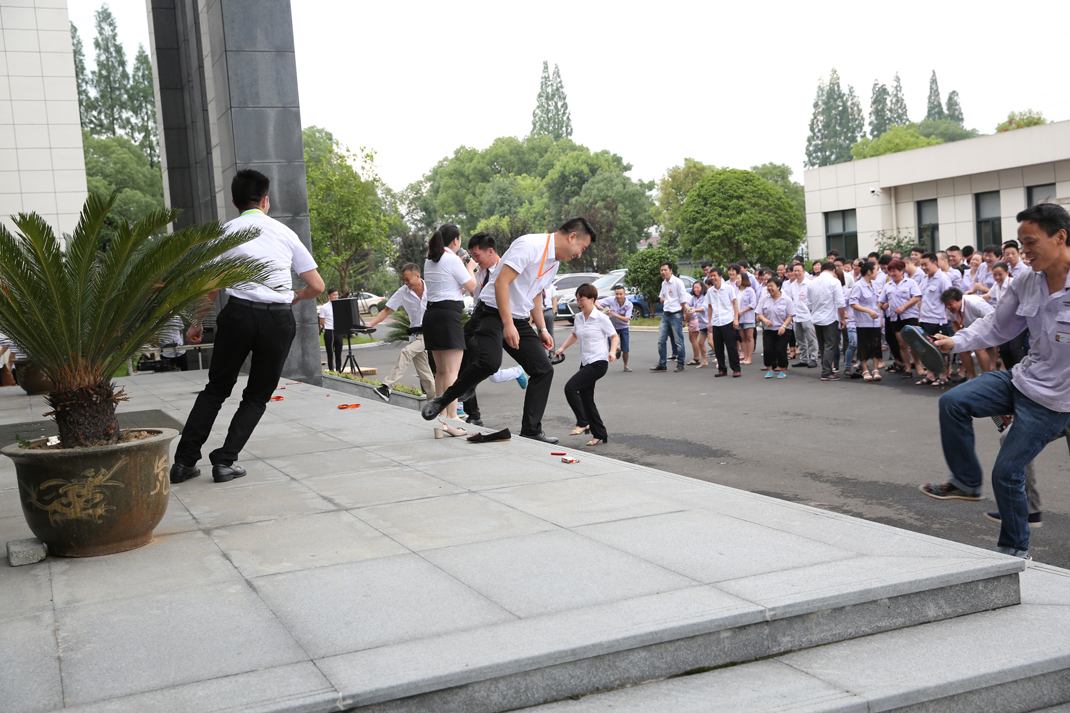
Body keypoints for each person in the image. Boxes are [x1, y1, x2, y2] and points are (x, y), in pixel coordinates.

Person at [920, 202, 1070, 560]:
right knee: (952, 402)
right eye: (1020, 243)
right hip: (1023, 379)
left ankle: (1014, 550)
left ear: (1060, 236)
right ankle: (967, 482)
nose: (1022, 252)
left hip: (1054, 402)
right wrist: (955, 342)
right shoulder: (1026, 282)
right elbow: (998, 326)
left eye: (1030, 242)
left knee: (1007, 471)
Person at [171, 169, 324, 484]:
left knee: (216, 390)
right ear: (266, 201)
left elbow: (211, 288)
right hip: (278, 320)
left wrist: (196, 322)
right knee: (257, 395)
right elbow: (317, 286)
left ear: (234, 201)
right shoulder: (284, 233)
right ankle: (225, 461)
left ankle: (184, 463)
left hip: (238, 314)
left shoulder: (224, 233)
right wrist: (295, 296)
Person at [422, 217, 595, 445]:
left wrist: (542, 328)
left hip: (518, 318)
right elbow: (502, 282)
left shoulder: (554, 263)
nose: (580, 254)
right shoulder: (529, 245)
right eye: (582, 248)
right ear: (572, 237)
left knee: (543, 369)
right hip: (492, 313)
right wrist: (508, 324)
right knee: (490, 362)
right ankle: (444, 399)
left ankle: (531, 430)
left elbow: (534, 294)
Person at [422, 224, 479, 422]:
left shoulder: (429, 261)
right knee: (453, 372)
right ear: (456, 241)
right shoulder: (453, 260)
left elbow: (446, 287)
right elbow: (472, 286)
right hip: (448, 317)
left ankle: (441, 416)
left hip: (431, 315)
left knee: (441, 371)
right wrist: (470, 268)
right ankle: (453, 416)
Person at [555, 282, 619, 446]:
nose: (579, 302)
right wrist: (562, 348)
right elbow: (575, 335)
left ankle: (583, 422)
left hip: (598, 362)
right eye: (577, 299)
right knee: (586, 398)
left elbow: (614, 336)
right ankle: (599, 433)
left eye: (582, 299)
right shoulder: (578, 317)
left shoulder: (601, 318)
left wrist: (612, 352)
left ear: (592, 299)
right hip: (586, 362)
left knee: (570, 387)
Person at [364, 264, 436, 402]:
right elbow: (386, 310)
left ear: (418, 276)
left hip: (430, 332)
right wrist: (370, 324)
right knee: (425, 374)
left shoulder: (432, 288)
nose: (405, 282)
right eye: (403, 279)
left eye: (407, 279)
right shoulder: (402, 292)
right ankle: (435, 403)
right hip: (415, 334)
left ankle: (386, 386)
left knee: (406, 352)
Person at [913, 251, 954, 386]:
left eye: (926, 264)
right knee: (927, 349)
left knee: (941, 349)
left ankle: (944, 375)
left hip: (939, 319)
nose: (924, 267)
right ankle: (930, 375)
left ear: (935, 263)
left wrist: (947, 316)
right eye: (922, 265)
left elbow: (948, 298)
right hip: (925, 319)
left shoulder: (943, 278)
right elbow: (921, 298)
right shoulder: (925, 279)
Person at [880, 259, 922, 378]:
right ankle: (907, 367)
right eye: (890, 271)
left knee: (913, 342)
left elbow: (917, 297)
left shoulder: (910, 283)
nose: (892, 274)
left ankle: (917, 364)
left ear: (902, 271)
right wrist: (882, 307)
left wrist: (903, 307)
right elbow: (882, 301)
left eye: (895, 271)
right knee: (902, 344)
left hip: (909, 316)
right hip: (895, 318)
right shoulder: (888, 285)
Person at [941, 286, 995, 379]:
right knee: (962, 348)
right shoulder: (950, 308)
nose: (948, 307)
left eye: (950, 304)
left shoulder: (975, 303)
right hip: (970, 328)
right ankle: (972, 377)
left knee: (979, 348)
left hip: (987, 326)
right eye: (946, 305)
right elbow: (954, 322)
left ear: (959, 300)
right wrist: (960, 339)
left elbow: (993, 318)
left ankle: (987, 377)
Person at [807, 261, 847, 381]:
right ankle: (826, 372)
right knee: (831, 344)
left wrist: (814, 312)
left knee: (823, 345)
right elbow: (840, 302)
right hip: (829, 318)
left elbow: (809, 303)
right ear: (833, 271)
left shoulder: (812, 283)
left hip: (816, 317)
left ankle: (827, 370)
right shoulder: (834, 281)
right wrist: (843, 319)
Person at [849, 261, 883, 382]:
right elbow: (853, 303)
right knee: (863, 346)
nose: (877, 273)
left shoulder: (874, 284)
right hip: (863, 321)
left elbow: (877, 302)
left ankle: (875, 370)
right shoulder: (858, 286)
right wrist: (868, 311)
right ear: (869, 272)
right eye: (875, 271)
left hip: (875, 321)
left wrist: (880, 317)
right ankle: (865, 370)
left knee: (876, 345)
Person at [651, 262, 687, 373]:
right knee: (661, 340)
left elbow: (683, 301)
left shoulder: (678, 282)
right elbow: (661, 297)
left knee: (678, 341)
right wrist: (665, 299)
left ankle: (680, 363)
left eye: (665, 270)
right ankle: (662, 364)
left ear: (671, 270)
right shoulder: (664, 284)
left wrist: (683, 315)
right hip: (665, 314)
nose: (663, 272)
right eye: (661, 270)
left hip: (676, 314)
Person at [705, 268, 740, 377]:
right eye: (711, 276)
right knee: (718, 348)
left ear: (720, 276)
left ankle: (736, 369)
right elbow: (709, 307)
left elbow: (734, 303)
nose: (713, 278)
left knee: (731, 347)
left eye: (715, 275)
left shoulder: (728, 288)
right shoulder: (710, 291)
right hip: (716, 322)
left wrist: (736, 319)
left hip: (728, 320)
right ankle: (722, 369)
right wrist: (709, 322)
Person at [756, 277, 794, 378]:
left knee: (780, 349)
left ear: (778, 287)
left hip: (783, 329)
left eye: (772, 286)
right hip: (768, 329)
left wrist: (784, 326)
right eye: (768, 286)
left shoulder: (786, 300)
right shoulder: (764, 299)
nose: (769, 288)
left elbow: (790, 315)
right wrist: (765, 320)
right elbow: (759, 313)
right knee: (768, 349)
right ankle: (769, 369)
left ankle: (783, 369)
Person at [788, 264, 818, 368]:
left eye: (798, 270)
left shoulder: (809, 284)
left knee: (811, 339)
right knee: (800, 339)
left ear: (804, 271)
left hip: (808, 316)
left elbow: (814, 301)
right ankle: (804, 359)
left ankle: (814, 358)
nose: (796, 273)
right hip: (796, 316)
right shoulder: (793, 285)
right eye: (794, 270)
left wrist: (811, 312)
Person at [598, 284, 632, 372]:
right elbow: (596, 301)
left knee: (626, 349)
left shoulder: (629, 305)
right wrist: (599, 306)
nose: (619, 296)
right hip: (612, 327)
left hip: (624, 327)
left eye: (621, 294)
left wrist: (614, 315)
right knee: (611, 347)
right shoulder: (611, 300)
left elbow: (626, 319)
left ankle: (625, 365)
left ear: (625, 294)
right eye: (617, 294)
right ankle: (618, 348)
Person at [684, 279, 709, 367]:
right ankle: (704, 360)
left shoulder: (706, 297)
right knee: (700, 342)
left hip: (708, 323)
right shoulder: (693, 298)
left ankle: (719, 358)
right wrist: (687, 308)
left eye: (698, 287)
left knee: (711, 342)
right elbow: (688, 305)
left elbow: (704, 308)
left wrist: (694, 310)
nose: (695, 289)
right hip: (701, 323)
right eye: (694, 287)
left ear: (702, 288)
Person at [318, 288, 342, 372]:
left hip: (338, 331)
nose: (336, 296)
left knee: (338, 352)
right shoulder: (325, 307)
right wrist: (327, 327)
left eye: (337, 295)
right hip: (329, 331)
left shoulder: (340, 305)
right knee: (330, 352)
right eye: (334, 295)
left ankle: (339, 370)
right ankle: (332, 370)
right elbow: (321, 320)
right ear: (329, 296)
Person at [737, 274, 757, 365]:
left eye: (738, 278)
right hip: (739, 318)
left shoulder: (750, 290)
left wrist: (742, 311)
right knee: (743, 339)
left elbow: (753, 304)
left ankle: (750, 357)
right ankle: (745, 357)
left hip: (748, 317)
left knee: (750, 337)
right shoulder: (736, 291)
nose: (737, 280)